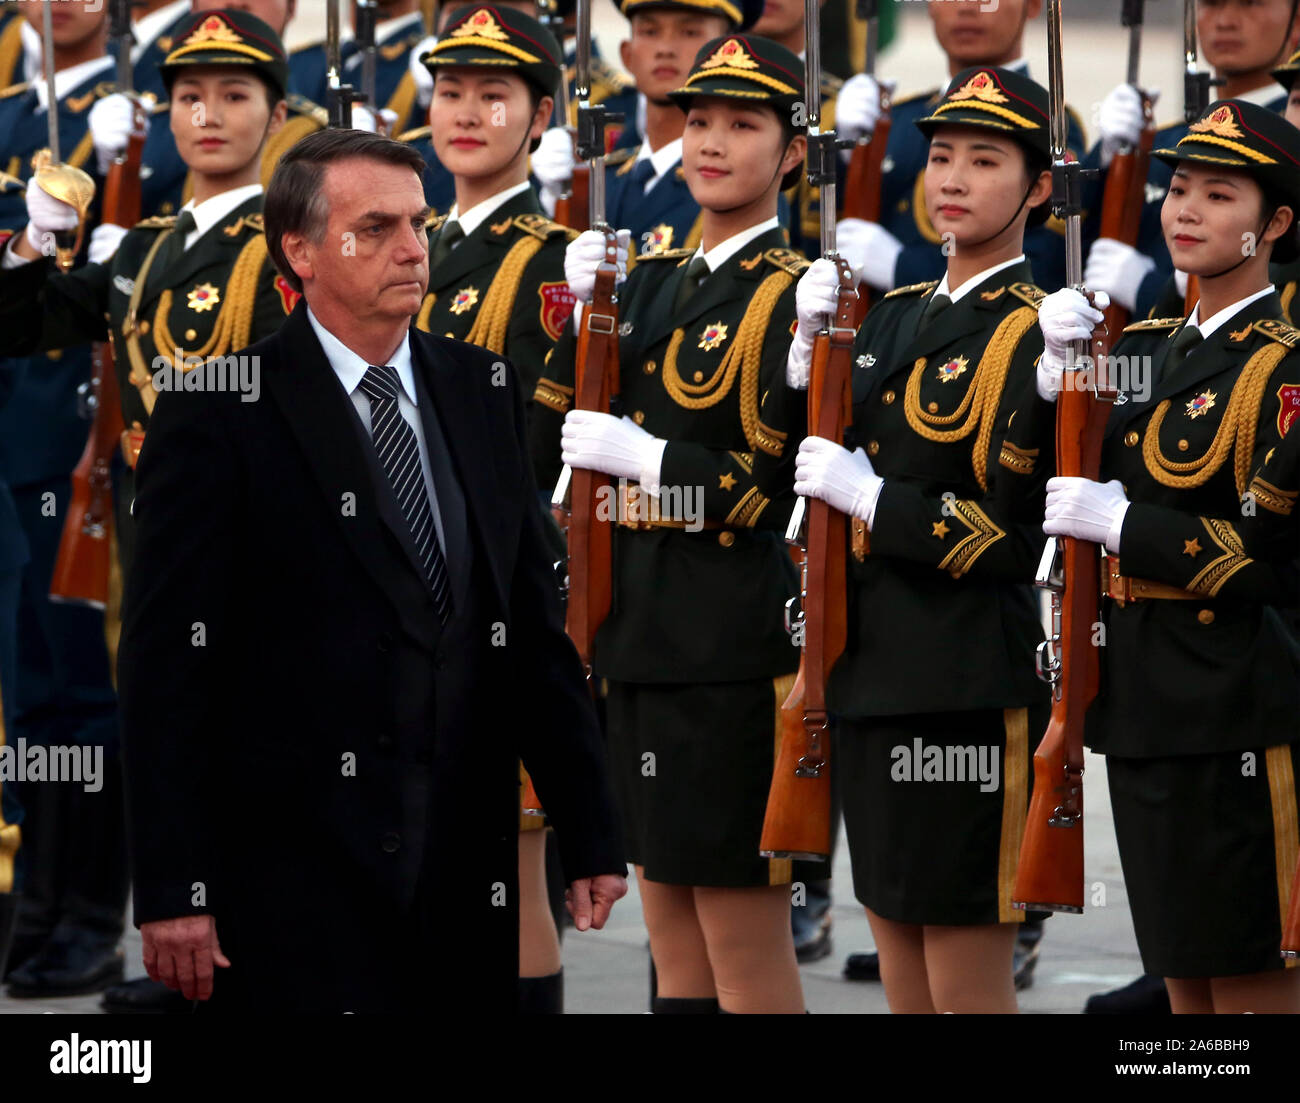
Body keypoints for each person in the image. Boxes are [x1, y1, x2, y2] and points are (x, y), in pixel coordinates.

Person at [116, 125, 626, 1012]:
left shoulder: (483, 387)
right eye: (376, 227)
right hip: (292, 872)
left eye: (419, 226)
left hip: (463, 866)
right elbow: (167, 667)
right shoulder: (218, 411)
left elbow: (531, 629)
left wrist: (588, 827)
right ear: (301, 250)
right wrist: (172, 888)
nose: (410, 250)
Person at [533, 32, 809, 1014]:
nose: (712, 142)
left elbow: (768, 495)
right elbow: (557, 432)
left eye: (743, 124)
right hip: (636, 639)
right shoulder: (644, 277)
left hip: (727, 647)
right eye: (698, 120)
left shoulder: (797, 291)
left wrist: (650, 461)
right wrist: (575, 315)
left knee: (741, 941)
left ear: (791, 153)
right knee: (672, 937)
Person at [1006, 97, 1300, 1014]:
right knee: (1182, 978)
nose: (1184, 209)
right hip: (1136, 706)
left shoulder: (1287, 368)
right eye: (1179, 188)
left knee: (1250, 980)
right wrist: (1046, 384)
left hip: (1235, 710)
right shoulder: (1133, 348)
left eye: (1219, 194)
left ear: (1277, 223)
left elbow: (1271, 559)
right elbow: (1025, 505)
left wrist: (1128, 526)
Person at [777, 66, 1055, 1013]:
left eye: (986, 160)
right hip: (870, 677)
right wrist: (801, 361)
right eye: (942, 156)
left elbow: (1019, 542)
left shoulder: (1042, 334)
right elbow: (805, 476)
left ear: (1041, 187)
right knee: (897, 953)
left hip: (964, 684)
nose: (955, 178)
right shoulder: (890, 316)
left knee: (964, 966)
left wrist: (874, 501)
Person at [414, 2, 582, 1014]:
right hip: (398, 590)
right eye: (449, 92)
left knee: (509, 874)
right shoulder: (409, 235)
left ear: (539, 116)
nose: (466, 113)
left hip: (488, 594)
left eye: (494, 95)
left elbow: (533, 455)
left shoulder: (552, 260)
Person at [0, 0, 126, 1002]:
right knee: (34, 700)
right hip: (11, 434)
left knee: (87, 696)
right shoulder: (9, 112)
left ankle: (91, 911)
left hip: (80, 439)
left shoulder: (153, 108)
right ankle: (34, 904)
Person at [830, 0, 1083, 296]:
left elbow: (1042, 268)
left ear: (1033, 5)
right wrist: (843, 157)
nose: (966, 7)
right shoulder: (895, 119)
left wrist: (901, 268)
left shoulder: (1051, 126)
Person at [1084, 0, 1298, 323]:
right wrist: (1105, 159)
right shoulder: (1165, 141)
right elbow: (1058, 253)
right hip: (1134, 364)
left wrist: (1149, 291)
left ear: (1296, 21)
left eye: (1250, 3)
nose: (1226, 20)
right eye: (1210, 3)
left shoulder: (1286, 150)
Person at [532, 0, 759, 256]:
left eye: (690, 32)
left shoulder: (744, 185)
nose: (665, 49)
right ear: (627, 54)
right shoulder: (603, 180)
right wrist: (555, 202)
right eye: (650, 32)